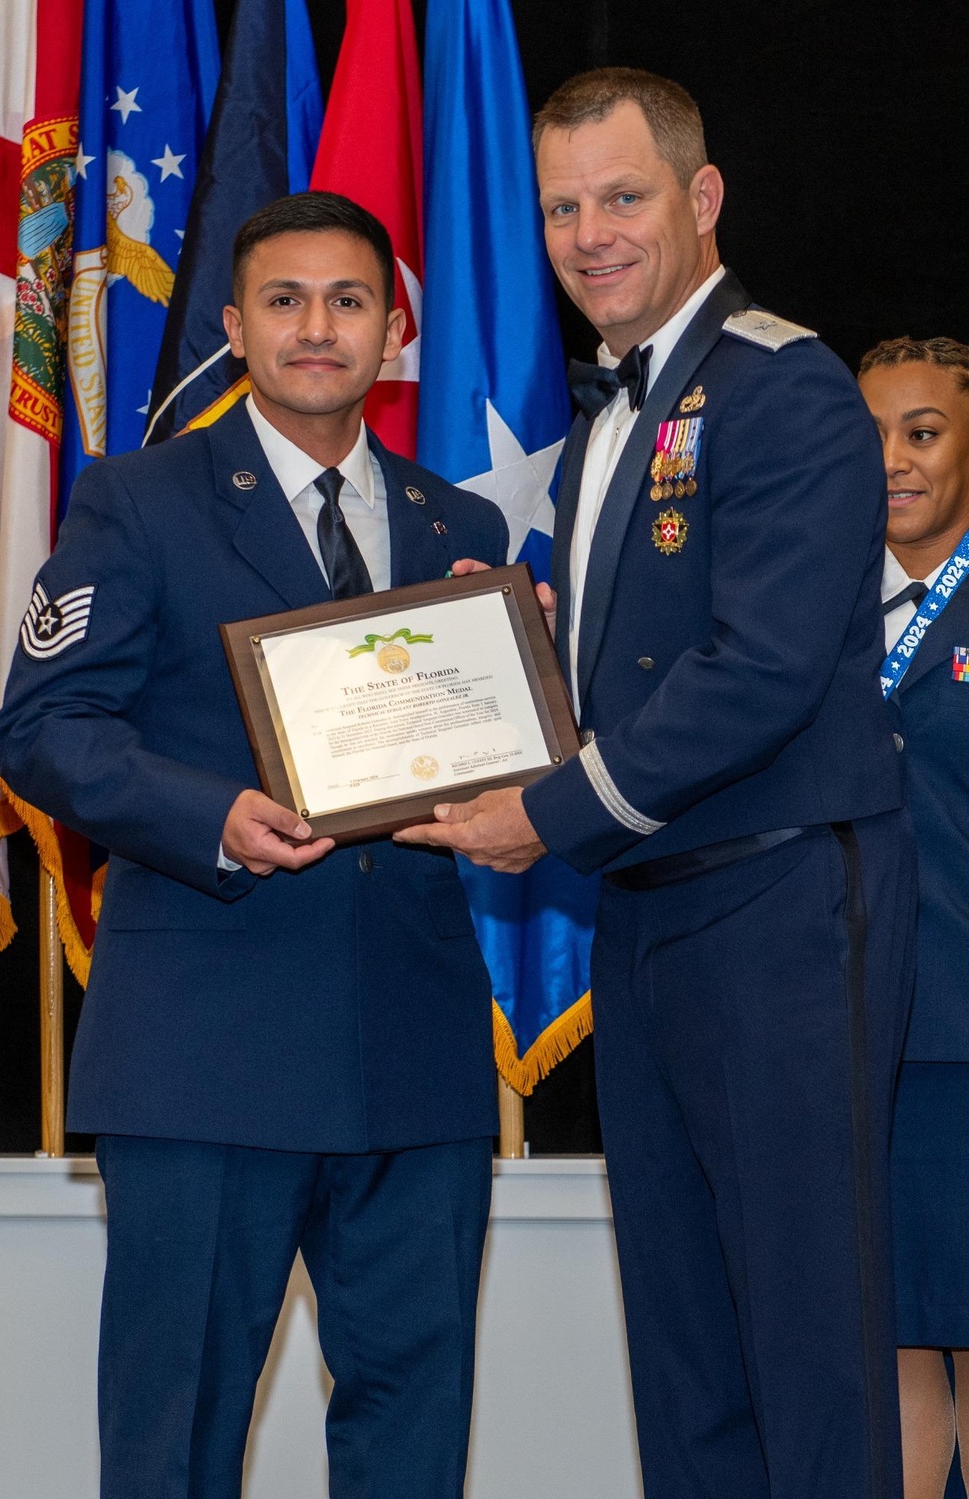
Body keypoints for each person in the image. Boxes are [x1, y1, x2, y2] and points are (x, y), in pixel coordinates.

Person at [396, 67, 917, 1499]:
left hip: (782, 906)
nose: (588, 235)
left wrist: (545, 811)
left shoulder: (786, 385)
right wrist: (516, 652)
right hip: (654, 911)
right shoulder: (622, 406)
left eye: (621, 198)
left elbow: (762, 669)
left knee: (806, 1339)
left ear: (701, 200)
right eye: (563, 207)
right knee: (684, 1342)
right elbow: (648, 666)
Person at [0, 191, 508, 1499]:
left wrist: (519, 758)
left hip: (416, 1051)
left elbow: (492, 761)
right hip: (206, 1049)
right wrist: (204, 811)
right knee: (180, 1434)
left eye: (348, 300)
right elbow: (45, 727)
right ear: (235, 327)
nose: (318, 328)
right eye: (285, 301)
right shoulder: (142, 500)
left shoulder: (467, 532)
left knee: (414, 1424)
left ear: (395, 328)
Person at [859, 337, 969, 1499]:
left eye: (922, 431)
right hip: (849, 1039)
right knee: (881, 1349)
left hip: (963, 1039)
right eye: (871, 434)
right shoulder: (814, 605)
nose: (891, 459)